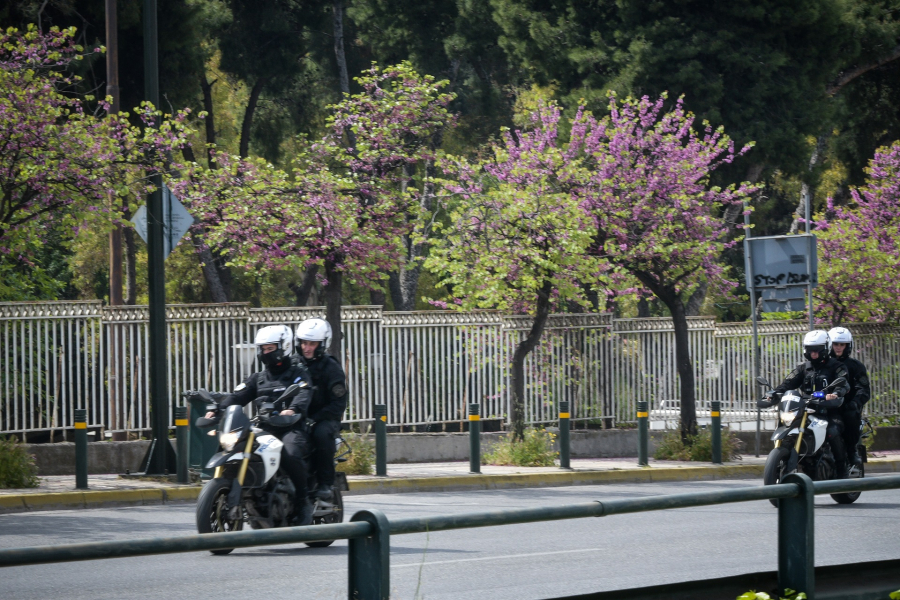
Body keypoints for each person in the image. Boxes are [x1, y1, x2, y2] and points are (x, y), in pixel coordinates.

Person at [206, 325, 315, 525]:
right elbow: (238, 395)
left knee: (290, 453)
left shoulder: (298, 374)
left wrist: (292, 410)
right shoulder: (259, 378)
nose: (265, 353)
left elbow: (303, 393)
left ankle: (303, 501)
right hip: (265, 429)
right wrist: (219, 409)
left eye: (270, 349)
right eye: (263, 349)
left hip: (291, 428)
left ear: (285, 347)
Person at [767, 329, 851, 477]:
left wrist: (836, 393)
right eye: (810, 349)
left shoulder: (836, 366)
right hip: (805, 410)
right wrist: (774, 393)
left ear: (825, 348)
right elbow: (788, 383)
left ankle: (841, 470)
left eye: (817, 349)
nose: (813, 353)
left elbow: (843, 384)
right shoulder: (803, 368)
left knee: (832, 431)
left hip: (829, 411)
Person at [295, 318, 347, 502]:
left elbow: (338, 404)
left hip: (323, 419)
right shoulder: (293, 365)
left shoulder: (331, 368)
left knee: (321, 434)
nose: (307, 348)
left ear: (322, 344)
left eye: (312, 343)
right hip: (296, 416)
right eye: (303, 343)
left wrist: (315, 418)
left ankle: (325, 483)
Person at [828, 326, 870, 468]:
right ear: (829, 344)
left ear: (848, 345)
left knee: (851, 415)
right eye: (835, 344)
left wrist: (855, 403)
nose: (838, 347)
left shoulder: (856, 366)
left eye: (842, 344)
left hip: (845, 407)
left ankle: (851, 452)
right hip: (826, 406)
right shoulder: (823, 364)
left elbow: (863, 390)